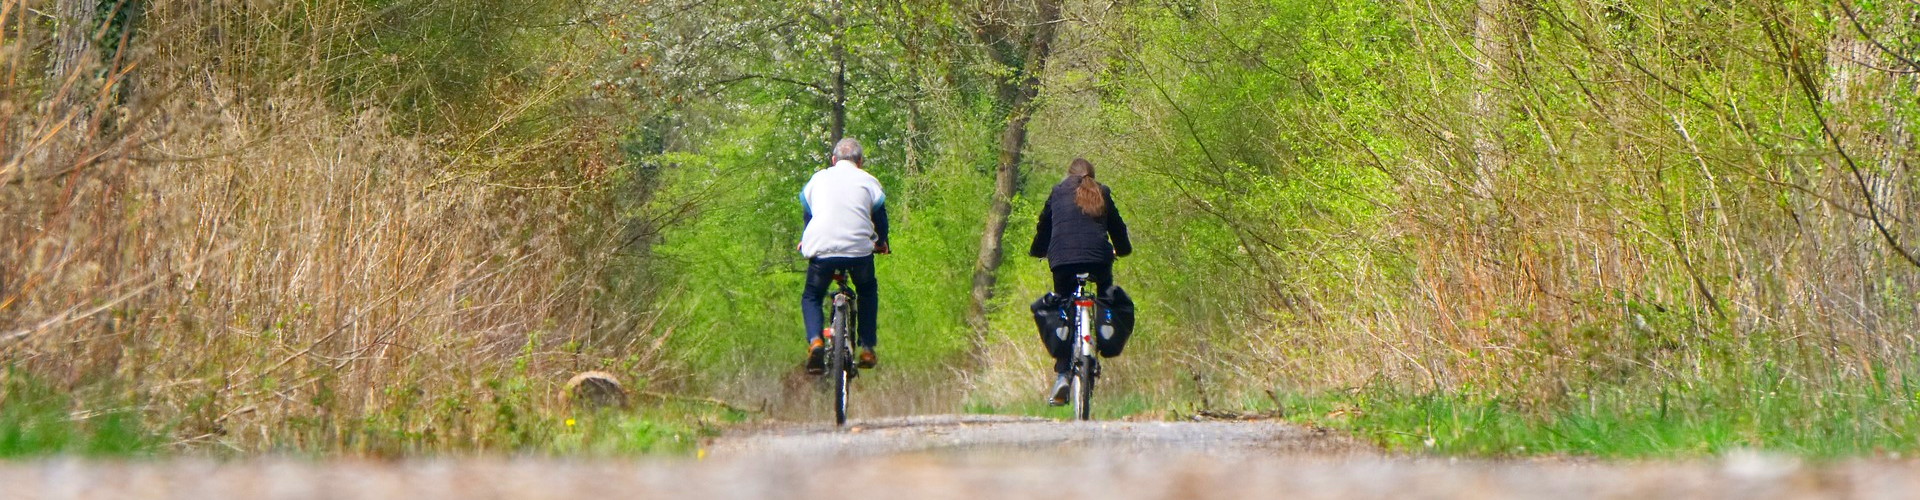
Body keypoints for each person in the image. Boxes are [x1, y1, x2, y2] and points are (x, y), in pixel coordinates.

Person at [1028, 157, 1131, 405]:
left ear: (1069, 174)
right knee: (1107, 296)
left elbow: (1045, 226)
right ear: (1092, 175)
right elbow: (1117, 227)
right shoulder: (1102, 191)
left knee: (1063, 304)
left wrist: (1037, 250)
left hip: (1063, 261)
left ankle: (1063, 371)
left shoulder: (1058, 191)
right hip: (1099, 259)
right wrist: (1123, 250)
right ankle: (1104, 333)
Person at [800, 137, 889, 374]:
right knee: (867, 289)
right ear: (859, 162)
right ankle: (867, 347)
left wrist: (805, 238)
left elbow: (809, 213)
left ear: (833, 159)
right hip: (859, 252)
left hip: (822, 250)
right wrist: (882, 242)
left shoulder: (818, 179)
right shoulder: (868, 180)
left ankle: (815, 341)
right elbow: (880, 216)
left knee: (812, 295)